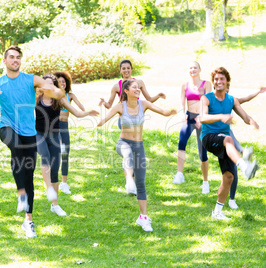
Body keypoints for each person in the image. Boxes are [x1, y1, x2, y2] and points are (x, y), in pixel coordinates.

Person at [0, 46, 64, 238]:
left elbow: (59, 94)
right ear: (4, 61)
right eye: (11, 57)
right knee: (15, 145)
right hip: (7, 128)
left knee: (28, 172)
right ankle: (21, 193)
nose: (15, 60)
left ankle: (28, 220)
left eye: (18, 58)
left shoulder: (31, 79)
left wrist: (52, 91)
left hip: (29, 131)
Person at [97, 79, 176, 232]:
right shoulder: (120, 106)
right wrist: (97, 122)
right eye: (134, 87)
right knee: (127, 155)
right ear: (125, 91)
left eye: (138, 87)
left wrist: (170, 112)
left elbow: (162, 111)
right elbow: (104, 119)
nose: (138, 89)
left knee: (140, 182)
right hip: (123, 142)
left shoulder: (144, 104)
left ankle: (143, 218)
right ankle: (128, 181)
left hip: (139, 146)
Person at [199, 67, 259, 221]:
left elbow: (244, 116)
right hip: (209, 137)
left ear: (227, 81)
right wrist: (221, 116)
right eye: (216, 79)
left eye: (222, 79)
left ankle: (217, 212)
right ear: (213, 82)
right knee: (228, 139)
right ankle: (244, 166)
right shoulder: (206, 98)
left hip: (225, 142)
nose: (219, 82)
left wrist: (251, 121)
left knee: (229, 177)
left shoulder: (231, 100)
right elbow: (203, 118)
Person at [36, 74, 98, 216]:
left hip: (54, 135)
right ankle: (49, 189)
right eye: (45, 84)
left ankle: (55, 205)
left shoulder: (60, 100)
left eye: (51, 84)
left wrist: (88, 112)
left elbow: (76, 112)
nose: (48, 87)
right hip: (39, 134)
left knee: (55, 168)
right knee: (44, 156)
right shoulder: (36, 99)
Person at [173, 61, 212, 194]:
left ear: (200, 69)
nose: (193, 70)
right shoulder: (185, 85)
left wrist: (201, 117)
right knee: (181, 142)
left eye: (195, 67)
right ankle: (179, 174)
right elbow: (182, 102)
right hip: (189, 117)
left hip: (201, 119)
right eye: (190, 68)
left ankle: (205, 182)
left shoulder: (206, 84)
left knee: (203, 151)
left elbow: (207, 101)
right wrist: (183, 114)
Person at [226, 85, 265, 209]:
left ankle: (231, 199)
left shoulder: (231, 100)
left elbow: (246, 99)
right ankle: (243, 151)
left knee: (233, 169)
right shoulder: (211, 100)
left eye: (227, 87)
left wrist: (258, 91)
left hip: (227, 136)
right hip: (215, 135)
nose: (225, 90)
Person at [99, 59, 166, 128]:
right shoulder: (116, 87)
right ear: (120, 70)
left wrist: (158, 96)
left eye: (128, 68)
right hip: (124, 119)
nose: (126, 70)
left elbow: (149, 100)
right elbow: (109, 105)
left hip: (136, 118)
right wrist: (104, 102)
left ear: (131, 69)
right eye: (123, 68)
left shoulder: (139, 83)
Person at [54, 71, 86, 194]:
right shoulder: (54, 95)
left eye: (64, 81)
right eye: (60, 81)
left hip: (64, 126)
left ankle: (64, 183)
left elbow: (81, 108)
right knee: (57, 153)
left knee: (65, 154)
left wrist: (86, 110)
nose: (62, 83)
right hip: (55, 126)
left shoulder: (70, 95)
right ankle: (53, 181)